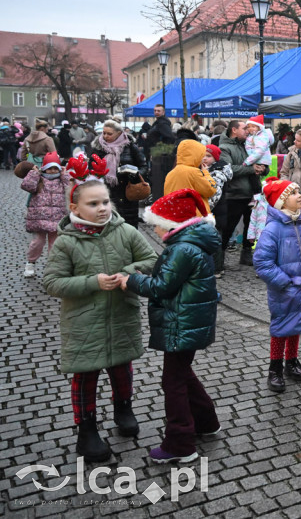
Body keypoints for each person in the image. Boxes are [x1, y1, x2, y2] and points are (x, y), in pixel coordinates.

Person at [41, 177, 158, 463]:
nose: (102, 208)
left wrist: (128, 273)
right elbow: (52, 282)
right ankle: (87, 429)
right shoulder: (66, 242)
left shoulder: (126, 231)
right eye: (93, 203)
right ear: (75, 208)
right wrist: (92, 282)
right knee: (86, 373)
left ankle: (123, 409)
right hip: (83, 320)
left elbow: (152, 259)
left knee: (122, 367)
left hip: (121, 314)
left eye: (105, 201)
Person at [124, 188, 220, 463]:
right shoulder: (191, 243)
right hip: (189, 320)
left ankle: (180, 444)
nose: (153, 228)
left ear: (171, 224)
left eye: (156, 222)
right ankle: (206, 421)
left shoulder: (181, 249)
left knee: (173, 381)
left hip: (181, 323)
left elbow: (161, 287)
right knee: (182, 374)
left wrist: (130, 280)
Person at [253, 178, 301, 393]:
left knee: (298, 323)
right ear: (282, 201)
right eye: (293, 193)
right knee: (281, 327)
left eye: (299, 192)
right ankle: (275, 368)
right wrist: (284, 282)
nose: (300, 196)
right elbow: (262, 262)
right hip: (284, 291)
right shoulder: (273, 230)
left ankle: (292, 361)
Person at [214, 121, 266, 269]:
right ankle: (219, 258)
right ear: (234, 130)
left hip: (253, 194)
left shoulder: (250, 144)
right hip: (235, 194)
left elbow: (260, 160)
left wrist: (263, 168)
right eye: (244, 128)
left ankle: (246, 253)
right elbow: (229, 169)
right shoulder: (224, 148)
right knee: (228, 227)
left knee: (251, 226)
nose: (248, 130)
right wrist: (251, 169)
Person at [91, 119, 149, 229]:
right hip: (106, 192)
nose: (105, 136)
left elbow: (143, 166)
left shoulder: (130, 146)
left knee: (128, 227)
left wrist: (135, 175)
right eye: (104, 133)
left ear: (119, 133)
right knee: (108, 226)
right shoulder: (98, 148)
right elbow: (91, 168)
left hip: (127, 192)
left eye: (109, 134)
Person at [21, 152, 69, 278]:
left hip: (57, 218)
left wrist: (64, 175)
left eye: (55, 168)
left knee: (55, 245)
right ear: (44, 168)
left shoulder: (62, 180)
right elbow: (27, 186)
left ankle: (53, 267)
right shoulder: (39, 179)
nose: (52, 171)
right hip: (39, 219)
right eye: (49, 168)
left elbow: (71, 188)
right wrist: (35, 173)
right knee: (37, 243)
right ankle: (30, 262)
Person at [163, 139, 217, 216]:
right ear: (196, 155)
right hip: (193, 216)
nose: (203, 158)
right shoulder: (194, 172)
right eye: (202, 155)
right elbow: (210, 190)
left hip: (175, 214)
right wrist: (206, 173)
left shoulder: (171, 173)